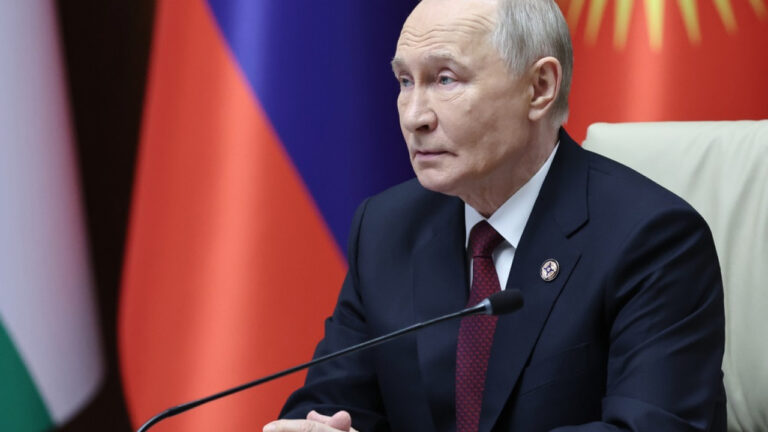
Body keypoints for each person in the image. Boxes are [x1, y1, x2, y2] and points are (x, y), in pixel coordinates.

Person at [264, 0, 726, 430]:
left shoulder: (653, 240)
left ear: (539, 88)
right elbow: (330, 404)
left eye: (445, 79)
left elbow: (648, 424)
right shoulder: (386, 228)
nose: (414, 116)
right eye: (405, 81)